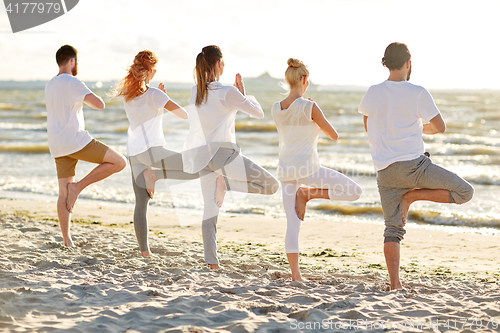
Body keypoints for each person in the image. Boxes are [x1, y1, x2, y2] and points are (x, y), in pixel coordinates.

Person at [358, 42, 474, 290]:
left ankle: (395, 284)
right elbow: (440, 127)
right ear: (408, 63)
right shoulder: (418, 92)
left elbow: (369, 125)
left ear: (386, 63)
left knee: (392, 230)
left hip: (386, 173)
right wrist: (420, 129)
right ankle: (413, 196)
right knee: (466, 192)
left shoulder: (372, 92)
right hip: (415, 168)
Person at [183, 45, 280, 269]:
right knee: (272, 186)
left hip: (202, 158)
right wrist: (243, 93)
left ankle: (212, 263)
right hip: (224, 158)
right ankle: (226, 183)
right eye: (223, 62)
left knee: (210, 212)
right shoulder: (228, 92)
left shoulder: (195, 92)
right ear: (219, 64)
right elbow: (258, 112)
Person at [272, 58, 363, 281]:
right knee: (354, 192)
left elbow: (293, 129)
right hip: (309, 170)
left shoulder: (276, 108)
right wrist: (314, 113)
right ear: (304, 80)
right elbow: (333, 135)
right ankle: (308, 193)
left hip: (286, 171)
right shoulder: (310, 106)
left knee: (292, 225)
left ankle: (296, 276)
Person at [116, 50, 208, 257]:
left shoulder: (127, 94)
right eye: (154, 68)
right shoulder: (156, 95)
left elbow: (144, 111)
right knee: (198, 167)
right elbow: (184, 115)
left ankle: (145, 252)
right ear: (149, 70)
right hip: (152, 152)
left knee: (141, 202)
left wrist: (159, 100)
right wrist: (164, 98)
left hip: (134, 152)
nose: (156, 71)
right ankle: (154, 175)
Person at [45, 44, 127, 247]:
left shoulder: (50, 84)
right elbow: (100, 104)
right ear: (72, 61)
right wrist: (85, 90)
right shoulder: (73, 81)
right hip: (75, 140)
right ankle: (79, 187)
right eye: (77, 61)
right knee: (120, 162)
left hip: (57, 144)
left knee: (62, 193)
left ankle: (67, 240)